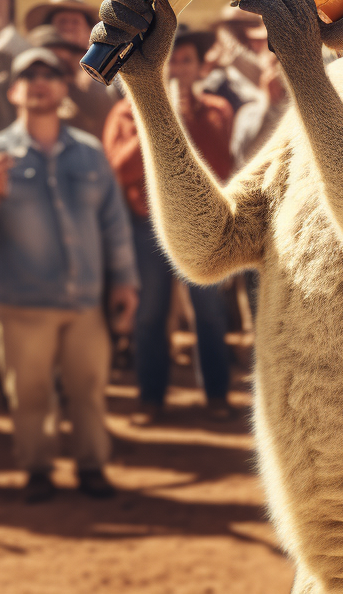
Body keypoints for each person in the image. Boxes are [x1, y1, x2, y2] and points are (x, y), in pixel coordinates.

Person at [0, 48, 138, 502]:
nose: (39, 82)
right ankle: (38, 470)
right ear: (14, 91)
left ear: (62, 88)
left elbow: (113, 224)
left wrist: (126, 282)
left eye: (49, 74)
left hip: (86, 302)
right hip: (22, 304)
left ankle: (92, 467)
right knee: (29, 396)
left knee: (90, 391)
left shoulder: (90, 154)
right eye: (27, 74)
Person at [103, 26, 235, 424]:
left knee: (210, 315)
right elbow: (120, 170)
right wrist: (158, 117)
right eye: (170, 61)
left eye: (185, 61)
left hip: (201, 223)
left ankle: (217, 396)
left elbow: (221, 166)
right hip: (148, 228)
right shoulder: (125, 112)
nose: (176, 69)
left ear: (200, 69)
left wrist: (187, 116)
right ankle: (151, 398)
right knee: (149, 315)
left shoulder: (216, 110)